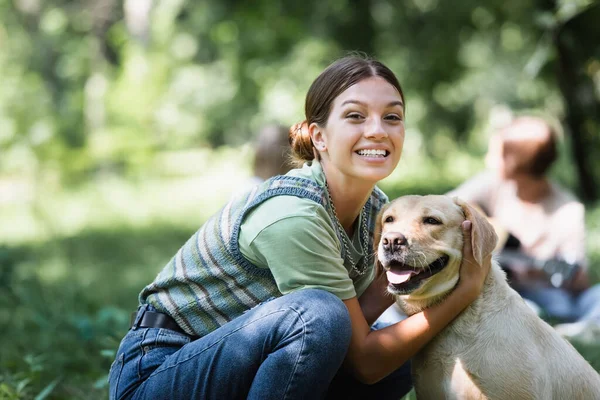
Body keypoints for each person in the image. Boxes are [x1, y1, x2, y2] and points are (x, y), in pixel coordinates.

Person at [108, 55, 491, 400]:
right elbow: (365, 361)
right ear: (319, 136)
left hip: (245, 370)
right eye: (356, 116)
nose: (377, 130)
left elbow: (364, 317)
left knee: (410, 351)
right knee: (318, 316)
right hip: (160, 373)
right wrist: (466, 290)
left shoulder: (377, 207)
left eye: (392, 116)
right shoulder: (294, 213)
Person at [449, 115, 600, 342]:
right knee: (515, 306)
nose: (488, 158)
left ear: (514, 160)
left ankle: (577, 329)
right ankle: (564, 330)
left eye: (496, 152)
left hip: (552, 295)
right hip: (504, 291)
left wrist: (536, 271)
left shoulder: (567, 208)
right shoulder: (492, 183)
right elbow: (446, 204)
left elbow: (579, 279)